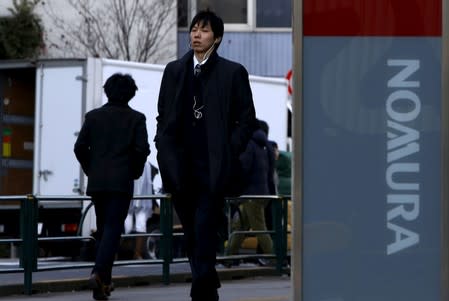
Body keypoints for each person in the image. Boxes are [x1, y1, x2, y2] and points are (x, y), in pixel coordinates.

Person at [154, 10, 256, 301]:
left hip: (213, 165)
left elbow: (246, 119)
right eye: (194, 29)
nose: (196, 34)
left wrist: (230, 149)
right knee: (190, 231)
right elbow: (163, 116)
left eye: (204, 30)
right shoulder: (174, 71)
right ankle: (206, 280)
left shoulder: (232, 72)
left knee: (205, 226)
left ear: (218, 38)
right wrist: (162, 146)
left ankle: (200, 287)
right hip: (179, 165)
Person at [74, 73, 150, 301]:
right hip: (121, 183)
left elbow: (79, 148)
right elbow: (141, 150)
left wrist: (91, 169)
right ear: (131, 93)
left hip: (97, 183)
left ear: (107, 91)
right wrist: (133, 171)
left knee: (104, 230)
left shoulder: (93, 117)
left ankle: (103, 285)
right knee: (113, 230)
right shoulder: (136, 119)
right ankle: (98, 273)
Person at [225, 119, 276, 262]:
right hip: (262, 193)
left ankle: (276, 260)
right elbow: (270, 172)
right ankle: (228, 257)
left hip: (251, 194)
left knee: (260, 229)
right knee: (239, 227)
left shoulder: (249, 144)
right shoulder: (265, 145)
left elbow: (243, 168)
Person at [124, 161, 156, 260]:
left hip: (142, 199)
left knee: (140, 224)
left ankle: (137, 253)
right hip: (128, 198)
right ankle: (120, 253)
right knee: (126, 226)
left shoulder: (146, 164)